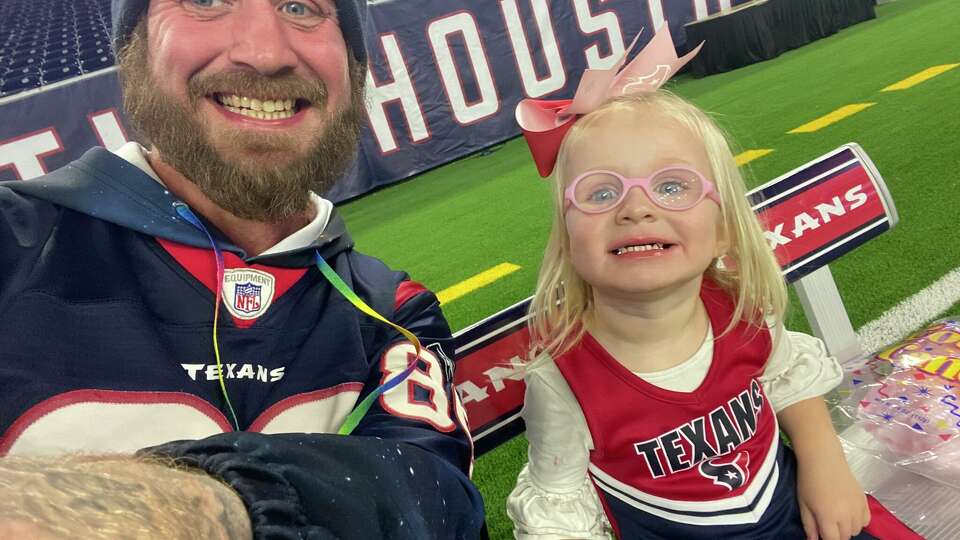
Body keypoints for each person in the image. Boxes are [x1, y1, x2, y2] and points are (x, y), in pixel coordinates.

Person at [0, 0, 484, 538]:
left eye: (303, 7)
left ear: (355, 67)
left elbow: (437, 499)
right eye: (205, 1)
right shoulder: (11, 245)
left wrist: (194, 509)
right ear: (131, 50)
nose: (265, 52)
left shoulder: (394, 311)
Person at [505, 29, 920, 540]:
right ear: (567, 238)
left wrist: (825, 464)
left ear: (723, 227)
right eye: (601, 192)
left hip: (798, 517)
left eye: (673, 186)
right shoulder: (562, 374)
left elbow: (787, 377)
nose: (636, 208)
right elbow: (558, 513)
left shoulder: (740, 304)